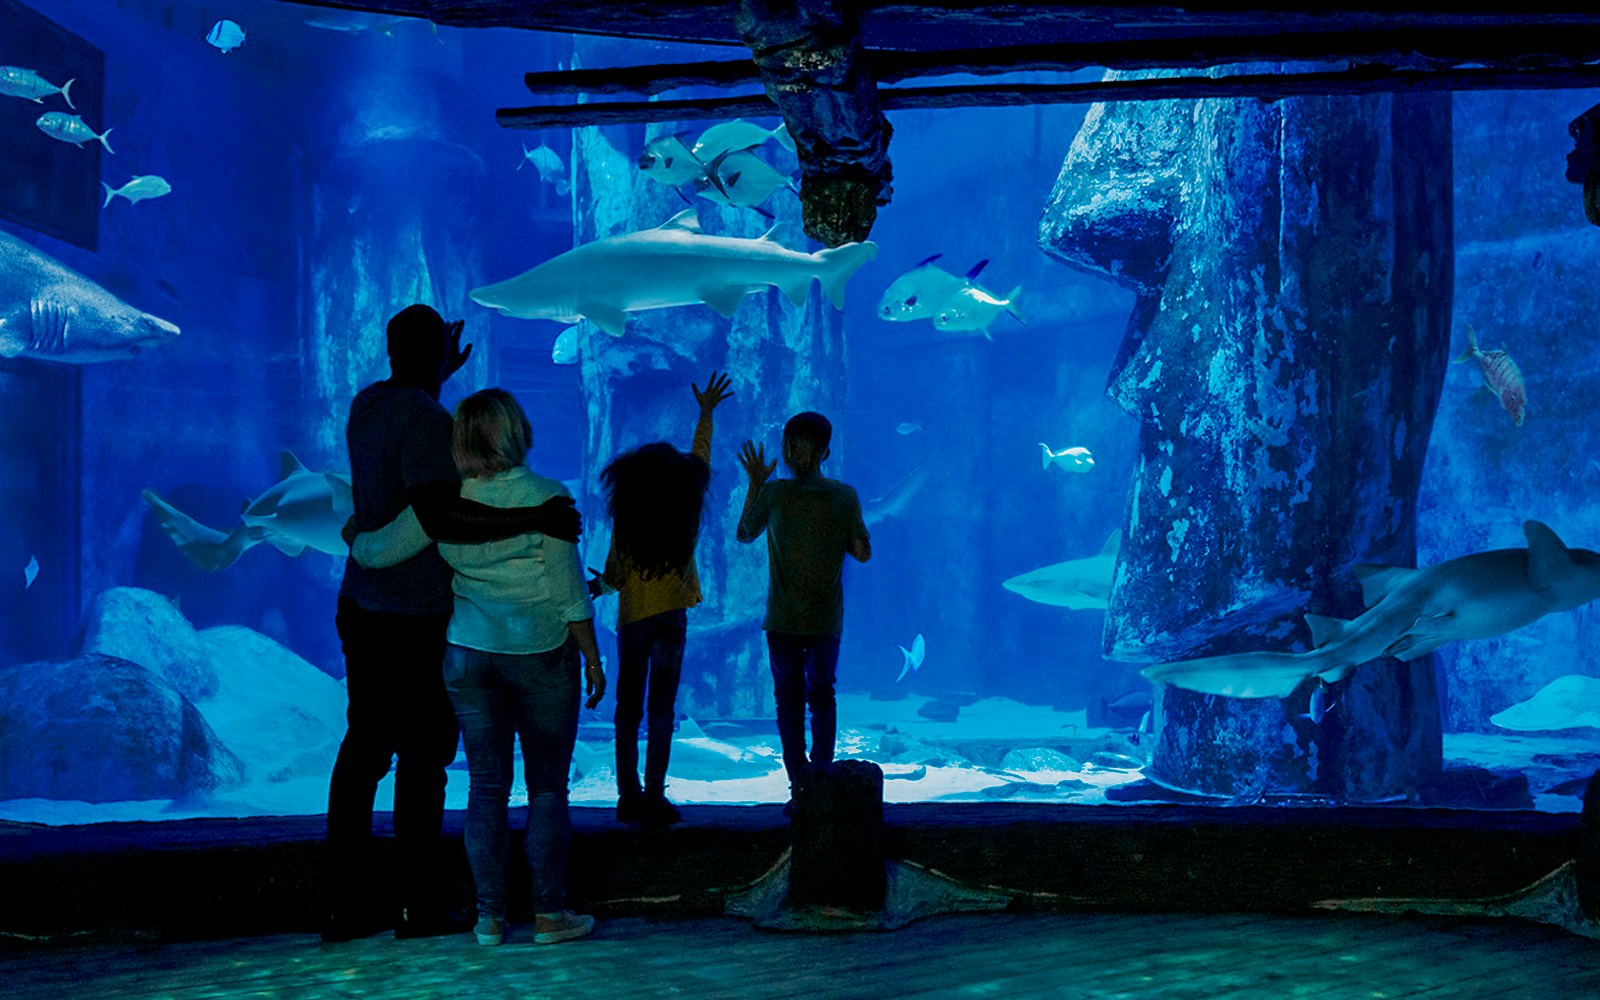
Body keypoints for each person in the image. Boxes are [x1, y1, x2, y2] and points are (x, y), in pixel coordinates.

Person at [326, 304, 581, 944]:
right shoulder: (430, 421)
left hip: (361, 607)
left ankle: (344, 906)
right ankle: (417, 906)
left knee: (362, 750)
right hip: (415, 618)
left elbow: (389, 522)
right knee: (422, 758)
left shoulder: (367, 405)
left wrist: (436, 366)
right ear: (441, 353)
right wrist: (534, 520)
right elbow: (439, 516)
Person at [596, 371, 733, 828]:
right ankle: (655, 794)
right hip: (671, 619)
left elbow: (614, 576)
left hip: (634, 620)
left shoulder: (629, 521)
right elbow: (701, 461)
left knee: (627, 709)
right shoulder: (686, 515)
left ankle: (627, 795)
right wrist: (706, 414)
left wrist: (597, 587)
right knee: (660, 711)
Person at [735, 411, 871, 806]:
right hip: (826, 621)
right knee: (822, 694)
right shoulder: (844, 496)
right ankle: (821, 779)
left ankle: (799, 784)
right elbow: (862, 553)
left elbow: (745, 533)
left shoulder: (775, 493)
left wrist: (756, 484)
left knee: (789, 700)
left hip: (783, 620)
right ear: (827, 451)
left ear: (786, 450)